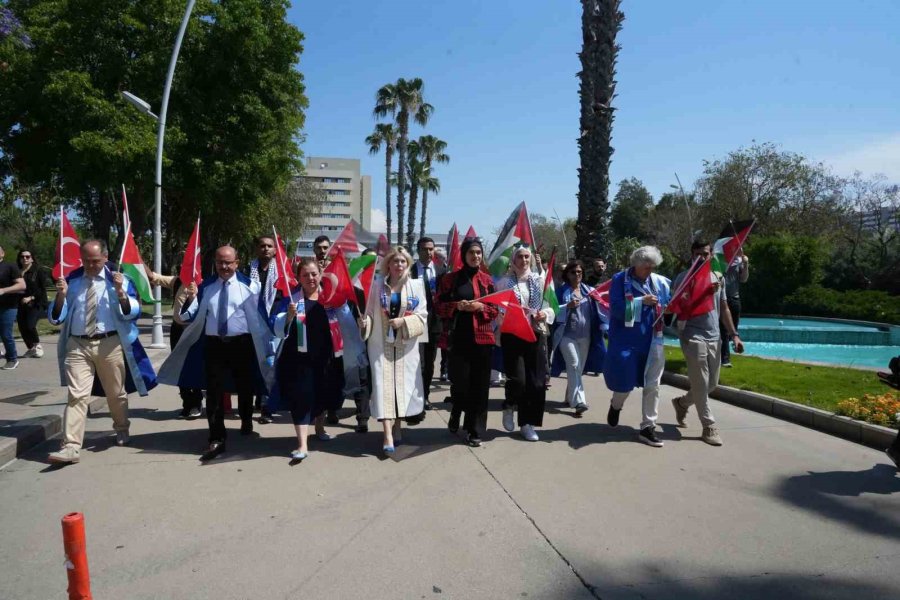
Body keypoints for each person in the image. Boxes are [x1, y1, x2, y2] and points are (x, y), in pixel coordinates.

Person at [158, 246, 274, 461]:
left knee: (245, 386)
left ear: (237, 263)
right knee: (213, 392)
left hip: (242, 344)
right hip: (214, 346)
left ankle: (246, 419)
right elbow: (187, 317)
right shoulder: (205, 287)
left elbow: (261, 317)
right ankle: (216, 437)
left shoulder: (250, 286)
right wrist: (191, 299)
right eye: (220, 262)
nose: (224, 266)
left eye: (229, 262)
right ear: (215, 263)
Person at [46, 240, 157, 464]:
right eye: (86, 260)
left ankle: (122, 427)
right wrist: (60, 296)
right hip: (78, 344)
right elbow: (56, 317)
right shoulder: (72, 281)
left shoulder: (119, 280)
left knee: (115, 393)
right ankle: (71, 446)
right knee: (77, 396)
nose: (90, 265)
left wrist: (121, 294)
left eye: (95, 261)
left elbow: (132, 313)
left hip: (110, 344)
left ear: (105, 258)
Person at [671, 240, 744, 447]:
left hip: (714, 336)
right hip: (691, 334)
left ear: (711, 254)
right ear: (691, 255)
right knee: (701, 382)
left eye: (706, 253)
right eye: (698, 254)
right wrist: (702, 291)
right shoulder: (683, 278)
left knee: (712, 383)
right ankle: (709, 426)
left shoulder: (717, 277)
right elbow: (677, 306)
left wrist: (734, 334)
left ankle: (682, 403)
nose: (702, 257)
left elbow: (724, 308)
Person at [271, 258, 344, 461]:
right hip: (298, 359)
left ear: (320, 275)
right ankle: (302, 444)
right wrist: (287, 316)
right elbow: (275, 328)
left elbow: (346, 322)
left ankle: (319, 427)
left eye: (314, 274)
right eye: (305, 275)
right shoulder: (292, 299)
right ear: (298, 278)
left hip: (326, 358)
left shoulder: (330, 298)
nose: (310, 278)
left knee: (323, 395)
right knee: (301, 398)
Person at [360, 247, 428, 454]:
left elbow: (423, 315)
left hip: (405, 346)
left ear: (407, 264)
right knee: (382, 387)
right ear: (387, 264)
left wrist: (404, 321)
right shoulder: (376, 287)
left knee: (401, 387)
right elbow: (370, 314)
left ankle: (398, 425)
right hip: (381, 346)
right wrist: (365, 323)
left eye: (402, 262)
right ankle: (387, 433)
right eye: (395, 261)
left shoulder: (416, 286)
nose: (399, 265)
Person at [603, 246, 672, 447]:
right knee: (625, 383)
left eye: (652, 267)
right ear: (635, 265)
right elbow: (615, 309)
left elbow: (668, 305)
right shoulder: (619, 280)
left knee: (653, 384)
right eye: (645, 267)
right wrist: (642, 301)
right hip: (627, 340)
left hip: (654, 338)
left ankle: (648, 427)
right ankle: (616, 405)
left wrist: (667, 308)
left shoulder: (659, 282)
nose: (649, 271)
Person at [436, 237, 499, 447]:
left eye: (479, 253)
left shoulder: (488, 281)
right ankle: (456, 411)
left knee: (480, 387)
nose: (476, 256)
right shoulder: (450, 279)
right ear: (464, 255)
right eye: (472, 253)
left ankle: (475, 430)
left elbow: (495, 309)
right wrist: (457, 306)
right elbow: (439, 306)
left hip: (483, 339)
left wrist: (480, 308)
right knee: (461, 384)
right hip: (458, 339)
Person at [498, 245, 555, 441]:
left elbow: (552, 307)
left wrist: (544, 314)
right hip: (513, 335)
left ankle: (527, 423)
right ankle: (509, 405)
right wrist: (508, 315)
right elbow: (498, 308)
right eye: (520, 257)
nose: (523, 260)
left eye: (526, 257)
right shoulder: (505, 283)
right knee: (519, 380)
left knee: (537, 382)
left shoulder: (541, 280)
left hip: (535, 333)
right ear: (513, 261)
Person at [550, 260, 606, 416]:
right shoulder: (561, 292)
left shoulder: (590, 291)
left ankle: (569, 397)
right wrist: (566, 307)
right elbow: (551, 310)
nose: (577, 275)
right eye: (573, 272)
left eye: (579, 272)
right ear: (567, 274)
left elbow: (602, 306)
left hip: (586, 337)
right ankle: (579, 402)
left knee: (578, 369)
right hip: (566, 336)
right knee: (574, 365)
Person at [148, 271, 203, 419]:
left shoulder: (204, 284)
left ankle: (197, 403)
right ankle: (187, 403)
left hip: (194, 330)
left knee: (193, 367)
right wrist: (137, 257)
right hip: (177, 330)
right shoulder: (177, 281)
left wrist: (194, 295)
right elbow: (153, 277)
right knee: (178, 367)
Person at [242, 235, 281, 423]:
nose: (266, 249)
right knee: (252, 365)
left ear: (275, 250)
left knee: (270, 365)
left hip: (273, 326)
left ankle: (267, 407)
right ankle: (250, 406)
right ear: (257, 249)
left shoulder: (281, 272)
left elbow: (285, 298)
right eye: (262, 246)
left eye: (269, 246)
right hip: (251, 324)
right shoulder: (248, 270)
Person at [410, 236, 447, 411]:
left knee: (430, 362)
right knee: (418, 361)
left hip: (434, 322)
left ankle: (424, 396)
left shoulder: (441, 271)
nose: (428, 252)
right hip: (415, 320)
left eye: (431, 248)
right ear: (418, 251)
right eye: (424, 249)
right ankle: (414, 396)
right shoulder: (410, 271)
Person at [16, 249, 50, 359]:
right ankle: (31, 348)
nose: (24, 259)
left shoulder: (38, 271)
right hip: (21, 303)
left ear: (32, 258)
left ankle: (37, 345)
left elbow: (42, 288)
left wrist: (31, 297)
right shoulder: (17, 271)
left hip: (37, 302)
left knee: (30, 325)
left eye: (27, 256)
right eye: (22, 257)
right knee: (22, 326)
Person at [720, 249, 749, 368]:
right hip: (722, 299)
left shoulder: (739, 261)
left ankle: (734, 346)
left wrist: (746, 264)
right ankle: (725, 359)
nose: (740, 249)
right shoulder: (719, 260)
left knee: (733, 329)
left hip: (734, 298)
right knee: (723, 329)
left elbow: (744, 279)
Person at [0, 245, 26, 369]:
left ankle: (12, 359)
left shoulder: (10, 266)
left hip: (8, 306)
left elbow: (22, 285)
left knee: (6, 334)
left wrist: (3, 290)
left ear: (2, 253)